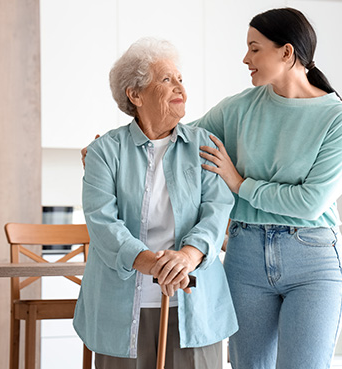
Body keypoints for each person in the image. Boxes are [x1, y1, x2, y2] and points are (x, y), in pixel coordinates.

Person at [82, 7, 342, 369]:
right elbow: (170, 134)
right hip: (246, 255)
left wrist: (240, 184)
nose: (246, 59)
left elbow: (310, 202)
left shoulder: (338, 117)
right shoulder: (239, 108)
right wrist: (109, 148)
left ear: (287, 52)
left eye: (255, 49)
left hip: (311, 257)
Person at [73, 37, 238, 369]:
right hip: (120, 309)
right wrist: (153, 263)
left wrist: (187, 257)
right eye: (167, 79)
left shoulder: (204, 144)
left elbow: (217, 210)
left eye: (180, 79)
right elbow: (103, 223)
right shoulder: (105, 151)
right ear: (135, 95)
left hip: (194, 303)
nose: (180, 87)